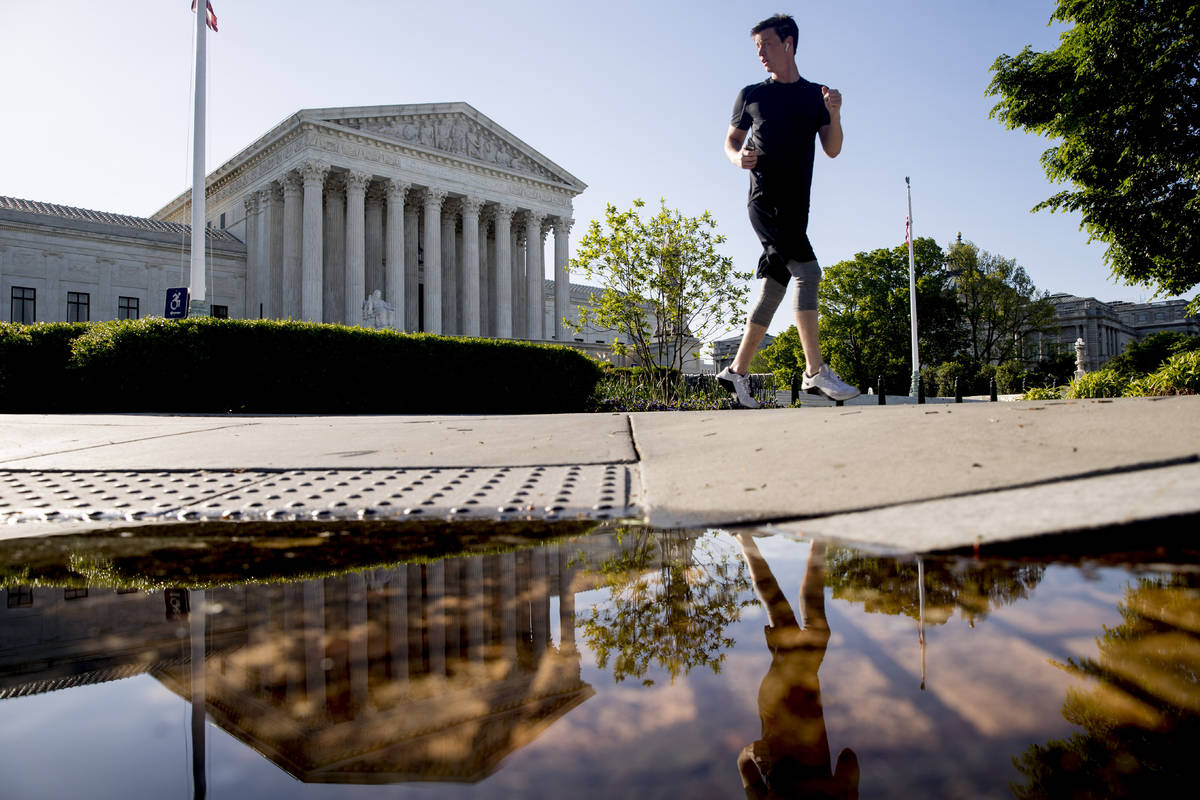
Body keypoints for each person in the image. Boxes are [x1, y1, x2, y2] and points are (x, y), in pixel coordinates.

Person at [716, 13, 860, 408]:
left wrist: (834, 113)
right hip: (765, 200)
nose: (760, 53)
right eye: (756, 47)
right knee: (809, 273)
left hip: (798, 208)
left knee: (775, 285)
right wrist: (737, 157)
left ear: (789, 43)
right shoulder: (751, 94)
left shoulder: (815, 94)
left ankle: (736, 372)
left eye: (767, 45)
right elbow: (731, 141)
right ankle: (815, 372)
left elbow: (832, 148)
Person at [735, 534, 860, 799]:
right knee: (786, 620)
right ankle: (744, 538)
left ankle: (817, 540)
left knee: (810, 630)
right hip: (806, 693)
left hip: (776, 705)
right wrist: (847, 791)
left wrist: (752, 751)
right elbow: (848, 757)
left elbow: (743, 764)